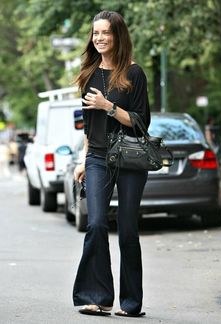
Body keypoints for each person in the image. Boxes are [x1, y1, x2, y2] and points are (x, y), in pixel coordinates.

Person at [73, 10, 150, 317]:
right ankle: (96, 297)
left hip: (130, 159)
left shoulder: (134, 73)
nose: (100, 38)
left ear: (118, 36)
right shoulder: (89, 73)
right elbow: (87, 126)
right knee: (95, 223)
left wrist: (109, 107)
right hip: (97, 158)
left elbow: (141, 122)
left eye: (105, 33)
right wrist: (82, 159)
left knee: (128, 229)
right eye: (95, 33)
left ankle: (131, 304)